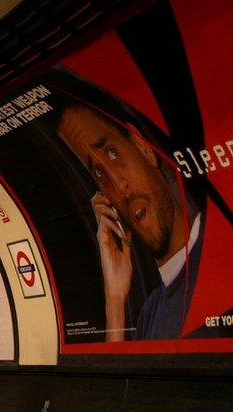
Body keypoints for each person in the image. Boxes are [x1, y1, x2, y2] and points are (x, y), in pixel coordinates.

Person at [56, 101, 199, 341]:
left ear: (143, 148)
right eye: (99, 173)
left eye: (113, 153)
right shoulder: (151, 311)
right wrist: (114, 299)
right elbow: (121, 377)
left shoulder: (217, 258)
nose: (119, 187)